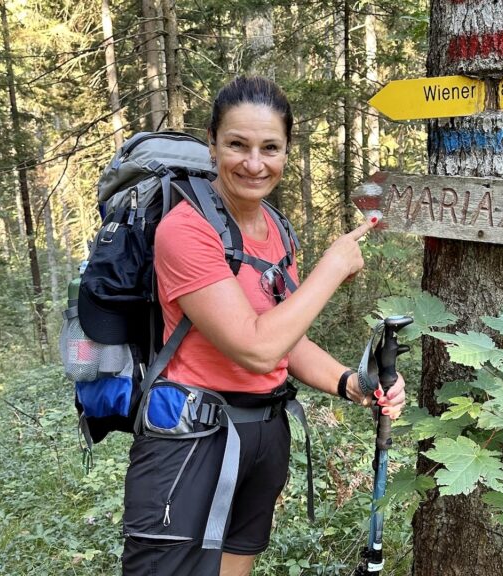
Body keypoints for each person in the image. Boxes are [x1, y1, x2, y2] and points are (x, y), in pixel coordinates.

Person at [121, 75, 406, 576]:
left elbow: (284, 341)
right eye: (237, 144)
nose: (254, 163)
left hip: (264, 433)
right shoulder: (185, 230)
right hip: (192, 437)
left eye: (269, 147)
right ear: (212, 145)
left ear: (286, 151)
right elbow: (254, 347)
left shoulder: (276, 227)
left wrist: (350, 383)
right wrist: (332, 267)